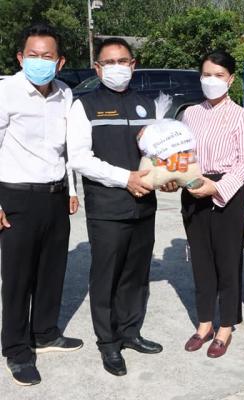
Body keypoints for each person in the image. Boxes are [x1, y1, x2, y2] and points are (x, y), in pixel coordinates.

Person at [67, 38, 162, 377]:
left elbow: (158, 152)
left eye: (123, 61)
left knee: (136, 273)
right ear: (97, 68)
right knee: (107, 275)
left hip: (144, 205)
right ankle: (108, 342)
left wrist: (165, 176)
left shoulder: (147, 104)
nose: (117, 67)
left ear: (133, 65)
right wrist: (125, 179)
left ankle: (130, 331)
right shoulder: (85, 106)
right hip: (108, 207)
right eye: (109, 62)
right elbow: (80, 158)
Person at [0, 23, 82, 386]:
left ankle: (45, 332)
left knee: (52, 269)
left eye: (47, 56)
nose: (39, 61)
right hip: (16, 196)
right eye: (32, 55)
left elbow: (67, 148)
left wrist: (72, 189)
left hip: (55, 194)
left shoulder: (65, 94)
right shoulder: (6, 92)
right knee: (18, 278)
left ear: (60, 62)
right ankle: (17, 350)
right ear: (20, 58)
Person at [181, 50, 244, 358]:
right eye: (206, 75)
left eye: (218, 75)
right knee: (200, 261)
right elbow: (182, 154)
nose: (211, 80)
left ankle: (225, 326)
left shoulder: (242, 116)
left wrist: (217, 187)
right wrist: (177, 177)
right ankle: (204, 324)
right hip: (193, 188)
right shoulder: (190, 113)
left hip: (227, 192)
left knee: (227, 263)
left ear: (231, 79)